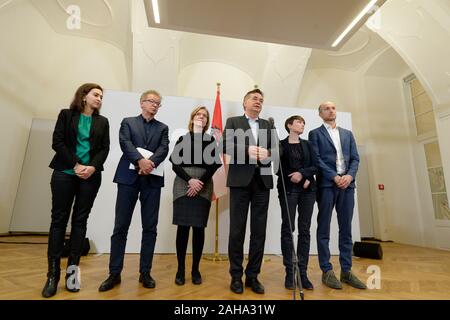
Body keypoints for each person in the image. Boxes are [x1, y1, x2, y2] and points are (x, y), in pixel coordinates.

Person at [42, 83, 110, 298]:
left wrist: (92, 167)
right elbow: (58, 142)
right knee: (58, 221)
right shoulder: (66, 115)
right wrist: (76, 165)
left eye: (101, 96)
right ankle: (52, 275)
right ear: (84, 96)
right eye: (96, 94)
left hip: (90, 176)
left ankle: (72, 274)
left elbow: (104, 148)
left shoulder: (103, 121)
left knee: (80, 221)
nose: (99, 98)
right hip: (64, 173)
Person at [98, 90, 169, 292]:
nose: (155, 105)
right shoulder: (128, 122)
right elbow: (125, 143)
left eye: (158, 103)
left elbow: (164, 149)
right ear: (142, 103)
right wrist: (140, 160)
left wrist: (150, 164)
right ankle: (114, 273)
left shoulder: (163, 128)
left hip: (152, 180)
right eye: (151, 101)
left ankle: (145, 272)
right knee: (120, 226)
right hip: (128, 179)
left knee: (150, 228)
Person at [308, 101, 366, 289]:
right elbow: (316, 159)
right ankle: (327, 271)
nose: (331, 110)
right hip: (326, 186)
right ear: (320, 113)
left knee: (346, 230)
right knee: (323, 228)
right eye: (326, 108)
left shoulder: (348, 134)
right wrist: (334, 176)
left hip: (347, 186)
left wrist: (349, 176)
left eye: (333, 108)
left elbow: (355, 158)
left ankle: (347, 271)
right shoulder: (315, 134)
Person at [222, 88, 274, 294]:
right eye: (254, 98)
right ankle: (236, 276)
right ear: (244, 103)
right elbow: (224, 144)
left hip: (262, 182)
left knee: (258, 231)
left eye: (261, 99)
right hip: (240, 181)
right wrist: (246, 150)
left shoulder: (268, 125)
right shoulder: (234, 121)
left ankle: (253, 276)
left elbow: (276, 151)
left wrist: (268, 153)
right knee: (237, 230)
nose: (258, 102)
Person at [169, 106, 221, 286]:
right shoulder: (183, 139)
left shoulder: (210, 140)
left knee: (199, 228)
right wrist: (190, 180)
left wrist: (199, 182)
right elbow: (174, 163)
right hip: (183, 183)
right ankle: (180, 269)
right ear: (192, 119)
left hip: (204, 184)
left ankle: (195, 269)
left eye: (204, 116)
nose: (201, 117)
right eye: (198, 115)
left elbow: (215, 165)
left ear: (207, 122)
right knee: (183, 228)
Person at [277, 115, 318, 291]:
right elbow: (279, 168)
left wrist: (304, 175)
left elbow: (316, 165)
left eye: (303, 122)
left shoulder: (308, 144)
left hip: (308, 191)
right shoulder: (280, 144)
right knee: (288, 229)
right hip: (288, 190)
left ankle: (303, 272)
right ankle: (289, 271)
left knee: (305, 230)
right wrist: (301, 176)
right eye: (299, 122)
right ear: (289, 125)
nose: (302, 124)